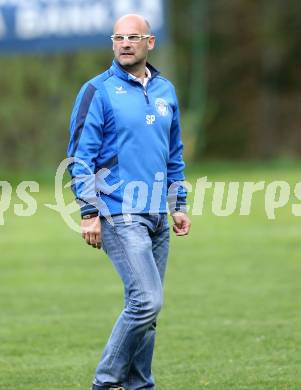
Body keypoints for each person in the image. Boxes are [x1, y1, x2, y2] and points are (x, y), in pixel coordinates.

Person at [67, 13, 191, 390]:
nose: (124, 43)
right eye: (118, 37)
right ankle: (105, 383)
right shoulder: (98, 90)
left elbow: (174, 154)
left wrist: (178, 202)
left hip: (156, 214)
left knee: (147, 313)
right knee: (146, 302)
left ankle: (140, 385)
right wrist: (89, 210)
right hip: (119, 212)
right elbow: (79, 157)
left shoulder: (166, 90)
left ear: (149, 43)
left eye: (133, 37)